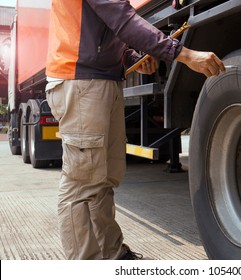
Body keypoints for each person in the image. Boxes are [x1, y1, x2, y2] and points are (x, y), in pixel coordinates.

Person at [45, 0, 225, 260]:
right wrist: (184, 54)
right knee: (82, 184)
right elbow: (122, 19)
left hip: (99, 81)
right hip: (81, 82)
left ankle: (111, 254)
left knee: (103, 179)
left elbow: (105, 30)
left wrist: (131, 57)